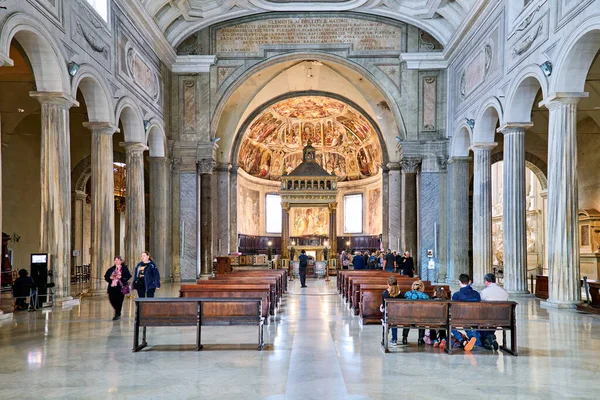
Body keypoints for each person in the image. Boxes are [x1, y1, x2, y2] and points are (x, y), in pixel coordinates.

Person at [451, 273, 481, 351]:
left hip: (460, 318)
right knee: (467, 324)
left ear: (459, 282)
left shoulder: (456, 295)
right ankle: (474, 340)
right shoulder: (476, 294)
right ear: (469, 282)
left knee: (450, 324)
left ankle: (461, 339)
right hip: (475, 317)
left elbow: (453, 309)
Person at [480, 273, 509, 350]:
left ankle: (489, 338)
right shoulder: (504, 291)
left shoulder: (484, 291)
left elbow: (480, 304)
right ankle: (491, 338)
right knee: (493, 320)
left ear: (486, 281)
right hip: (503, 317)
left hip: (487, 317)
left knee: (481, 319)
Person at [401, 280, 430, 345]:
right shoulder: (424, 296)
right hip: (420, 316)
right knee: (422, 321)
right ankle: (420, 339)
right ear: (421, 287)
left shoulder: (407, 294)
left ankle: (404, 338)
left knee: (407, 321)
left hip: (409, 315)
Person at [104, 256, 132, 320]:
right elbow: (106, 277)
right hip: (112, 287)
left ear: (121, 261)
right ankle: (117, 310)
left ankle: (117, 313)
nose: (117, 261)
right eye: (115, 260)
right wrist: (110, 278)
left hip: (120, 287)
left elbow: (128, 276)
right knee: (112, 300)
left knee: (119, 301)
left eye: (118, 260)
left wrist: (121, 277)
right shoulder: (111, 269)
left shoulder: (124, 268)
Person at [380, 277, 403, 346]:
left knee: (386, 321)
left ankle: (384, 339)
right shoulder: (400, 294)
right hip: (397, 315)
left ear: (388, 284)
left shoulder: (384, 293)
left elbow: (384, 306)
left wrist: (381, 307)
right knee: (394, 323)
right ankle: (394, 339)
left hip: (387, 315)